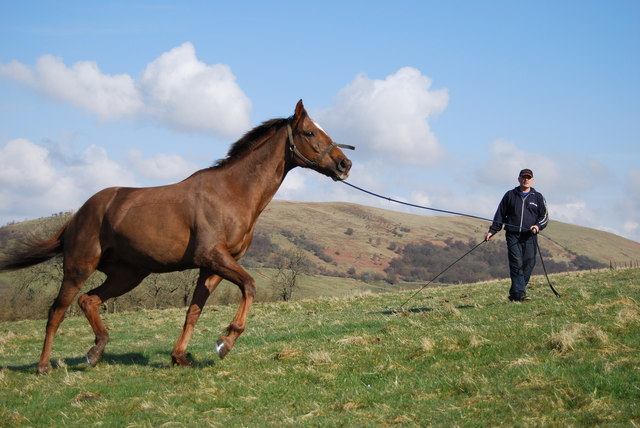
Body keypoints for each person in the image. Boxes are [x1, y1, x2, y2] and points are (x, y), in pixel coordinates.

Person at [485, 168, 549, 302]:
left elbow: (544, 217)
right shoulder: (510, 195)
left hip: (530, 236)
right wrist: (492, 231)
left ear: (532, 180)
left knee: (529, 263)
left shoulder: (538, 197)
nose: (526, 180)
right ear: (519, 179)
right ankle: (520, 294)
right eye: (523, 177)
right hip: (512, 235)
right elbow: (500, 215)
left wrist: (537, 226)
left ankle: (515, 293)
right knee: (516, 263)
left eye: (528, 177)